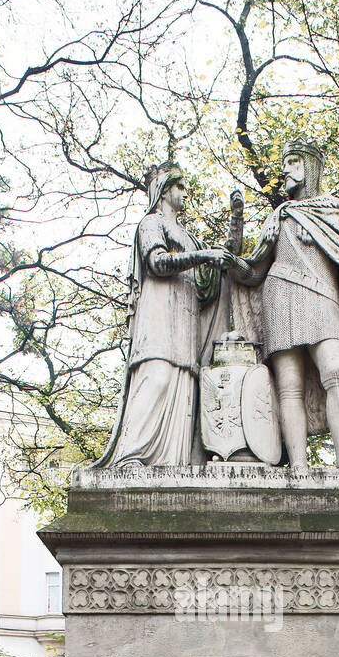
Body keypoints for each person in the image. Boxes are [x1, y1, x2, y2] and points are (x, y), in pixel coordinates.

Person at [230, 136, 339, 468]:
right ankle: (298, 467)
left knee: (337, 371)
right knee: (289, 385)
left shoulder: (334, 210)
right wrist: (232, 253)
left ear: (310, 166)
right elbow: (254, 271)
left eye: (292, 162)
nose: (285, 170)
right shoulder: (280, 215)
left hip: (322, 296)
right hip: (280, 296)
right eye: (284, 163)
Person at [94, 162, 235, 467]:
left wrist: (231, 230)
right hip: (158, 315)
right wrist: (202, 256)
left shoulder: (187, 235)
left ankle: (171, 465)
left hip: (184, 322)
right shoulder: (151, 223)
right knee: (156, 378)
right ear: (164, 190)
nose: (186, 193)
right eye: (181, 187)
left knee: (181, 388)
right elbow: (157, 263)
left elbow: (207, 285)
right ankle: (131, 458)